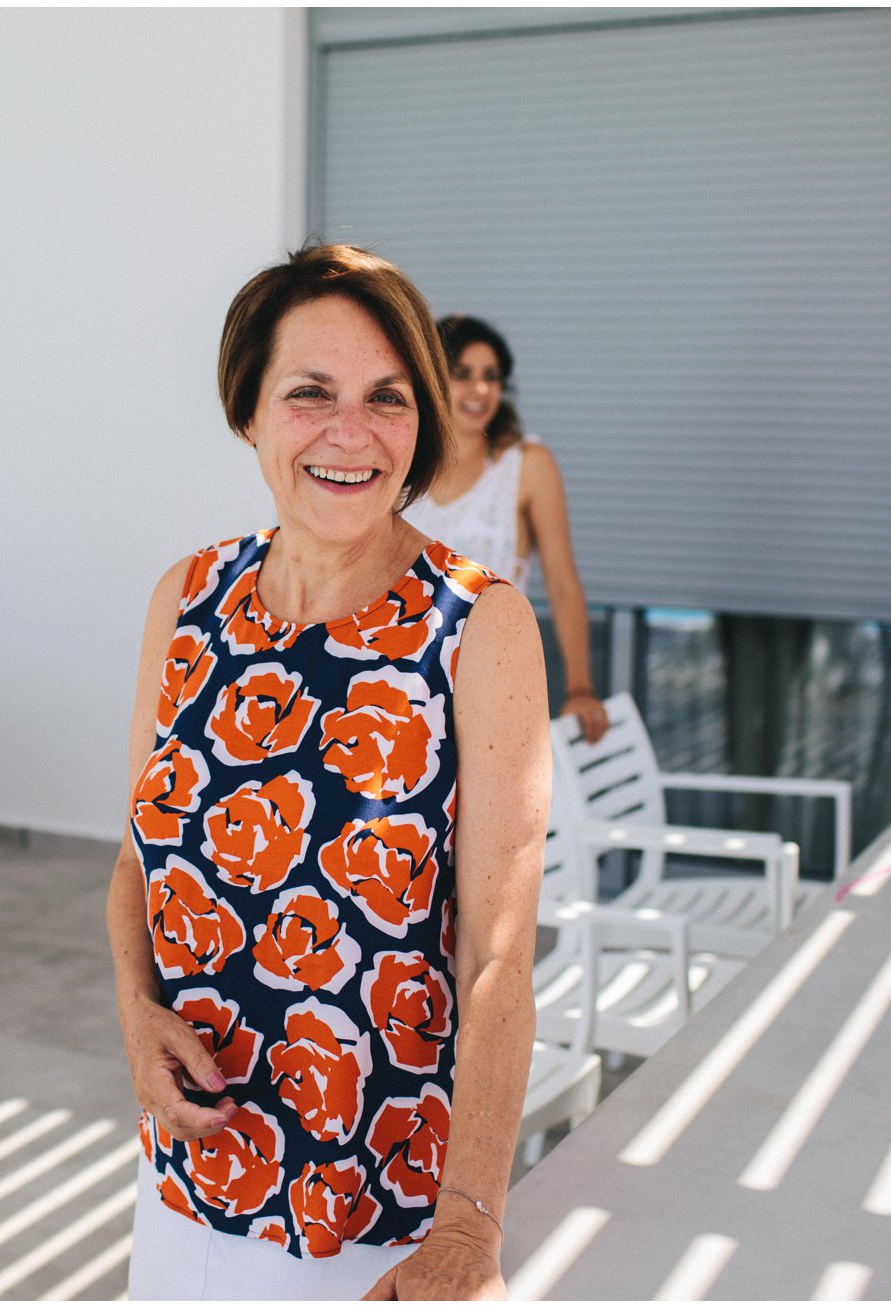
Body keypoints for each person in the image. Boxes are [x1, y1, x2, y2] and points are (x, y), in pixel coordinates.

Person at [108, 245, 550, 1299]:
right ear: (248, 413)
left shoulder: (476, 625)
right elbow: (136, 856)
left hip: (379, 1221)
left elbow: (498, 956)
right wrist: (134, 1009)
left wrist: (468, 1229)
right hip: (183, 1188)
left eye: (386, 399)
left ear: (422, 425)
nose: (350, 434)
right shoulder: (187, 598)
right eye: (310, 393)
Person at [399, 315, 609, 744]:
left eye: (491, 377)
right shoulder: (400, 461)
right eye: (463, 375)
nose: (480, 390)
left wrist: (581, 690)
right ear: (433, 380)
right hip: (403, 683)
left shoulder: (527, 465)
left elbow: (563, 584)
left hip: (494, 680)